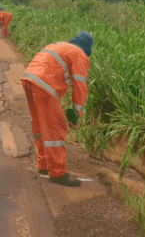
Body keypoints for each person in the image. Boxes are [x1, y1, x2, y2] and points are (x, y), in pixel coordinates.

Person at [21, 31, 93, 187]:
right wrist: (77, 115)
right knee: (56, 128)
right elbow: (80, 86)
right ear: (87, 48)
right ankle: (58, 173)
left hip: (29, 80)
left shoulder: (60, 45)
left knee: (41, 125)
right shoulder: (80, 54)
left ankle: (44, 165)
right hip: (44, 85)